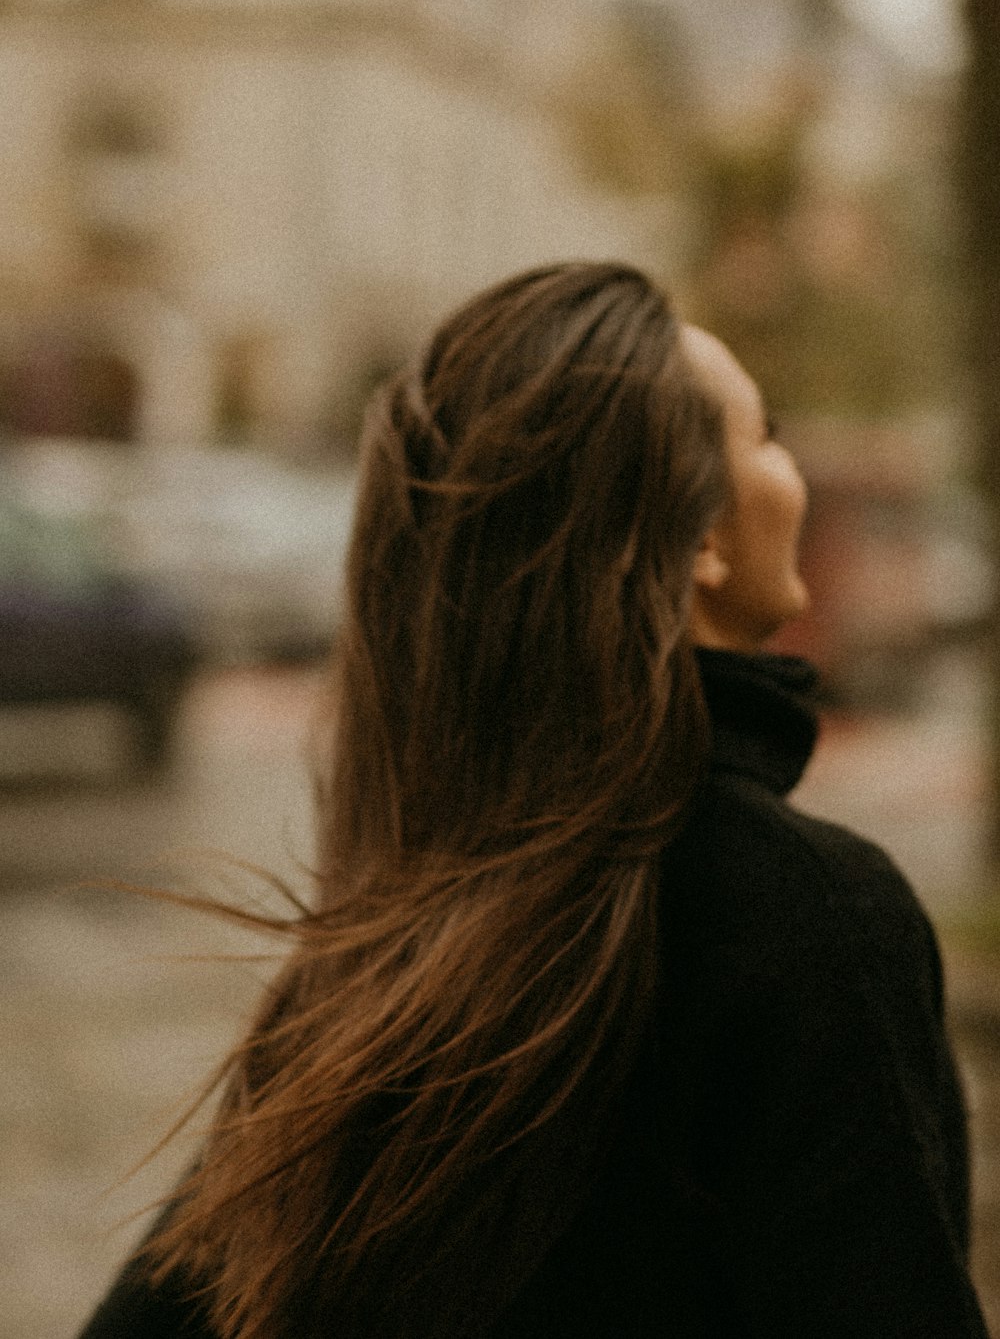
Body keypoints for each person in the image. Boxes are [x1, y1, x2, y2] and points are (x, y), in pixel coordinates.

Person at [79, 262, 987, 1338]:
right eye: (768, 433)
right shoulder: (809, 914)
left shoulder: (390, 944)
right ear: (698, 538)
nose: (789, 470)